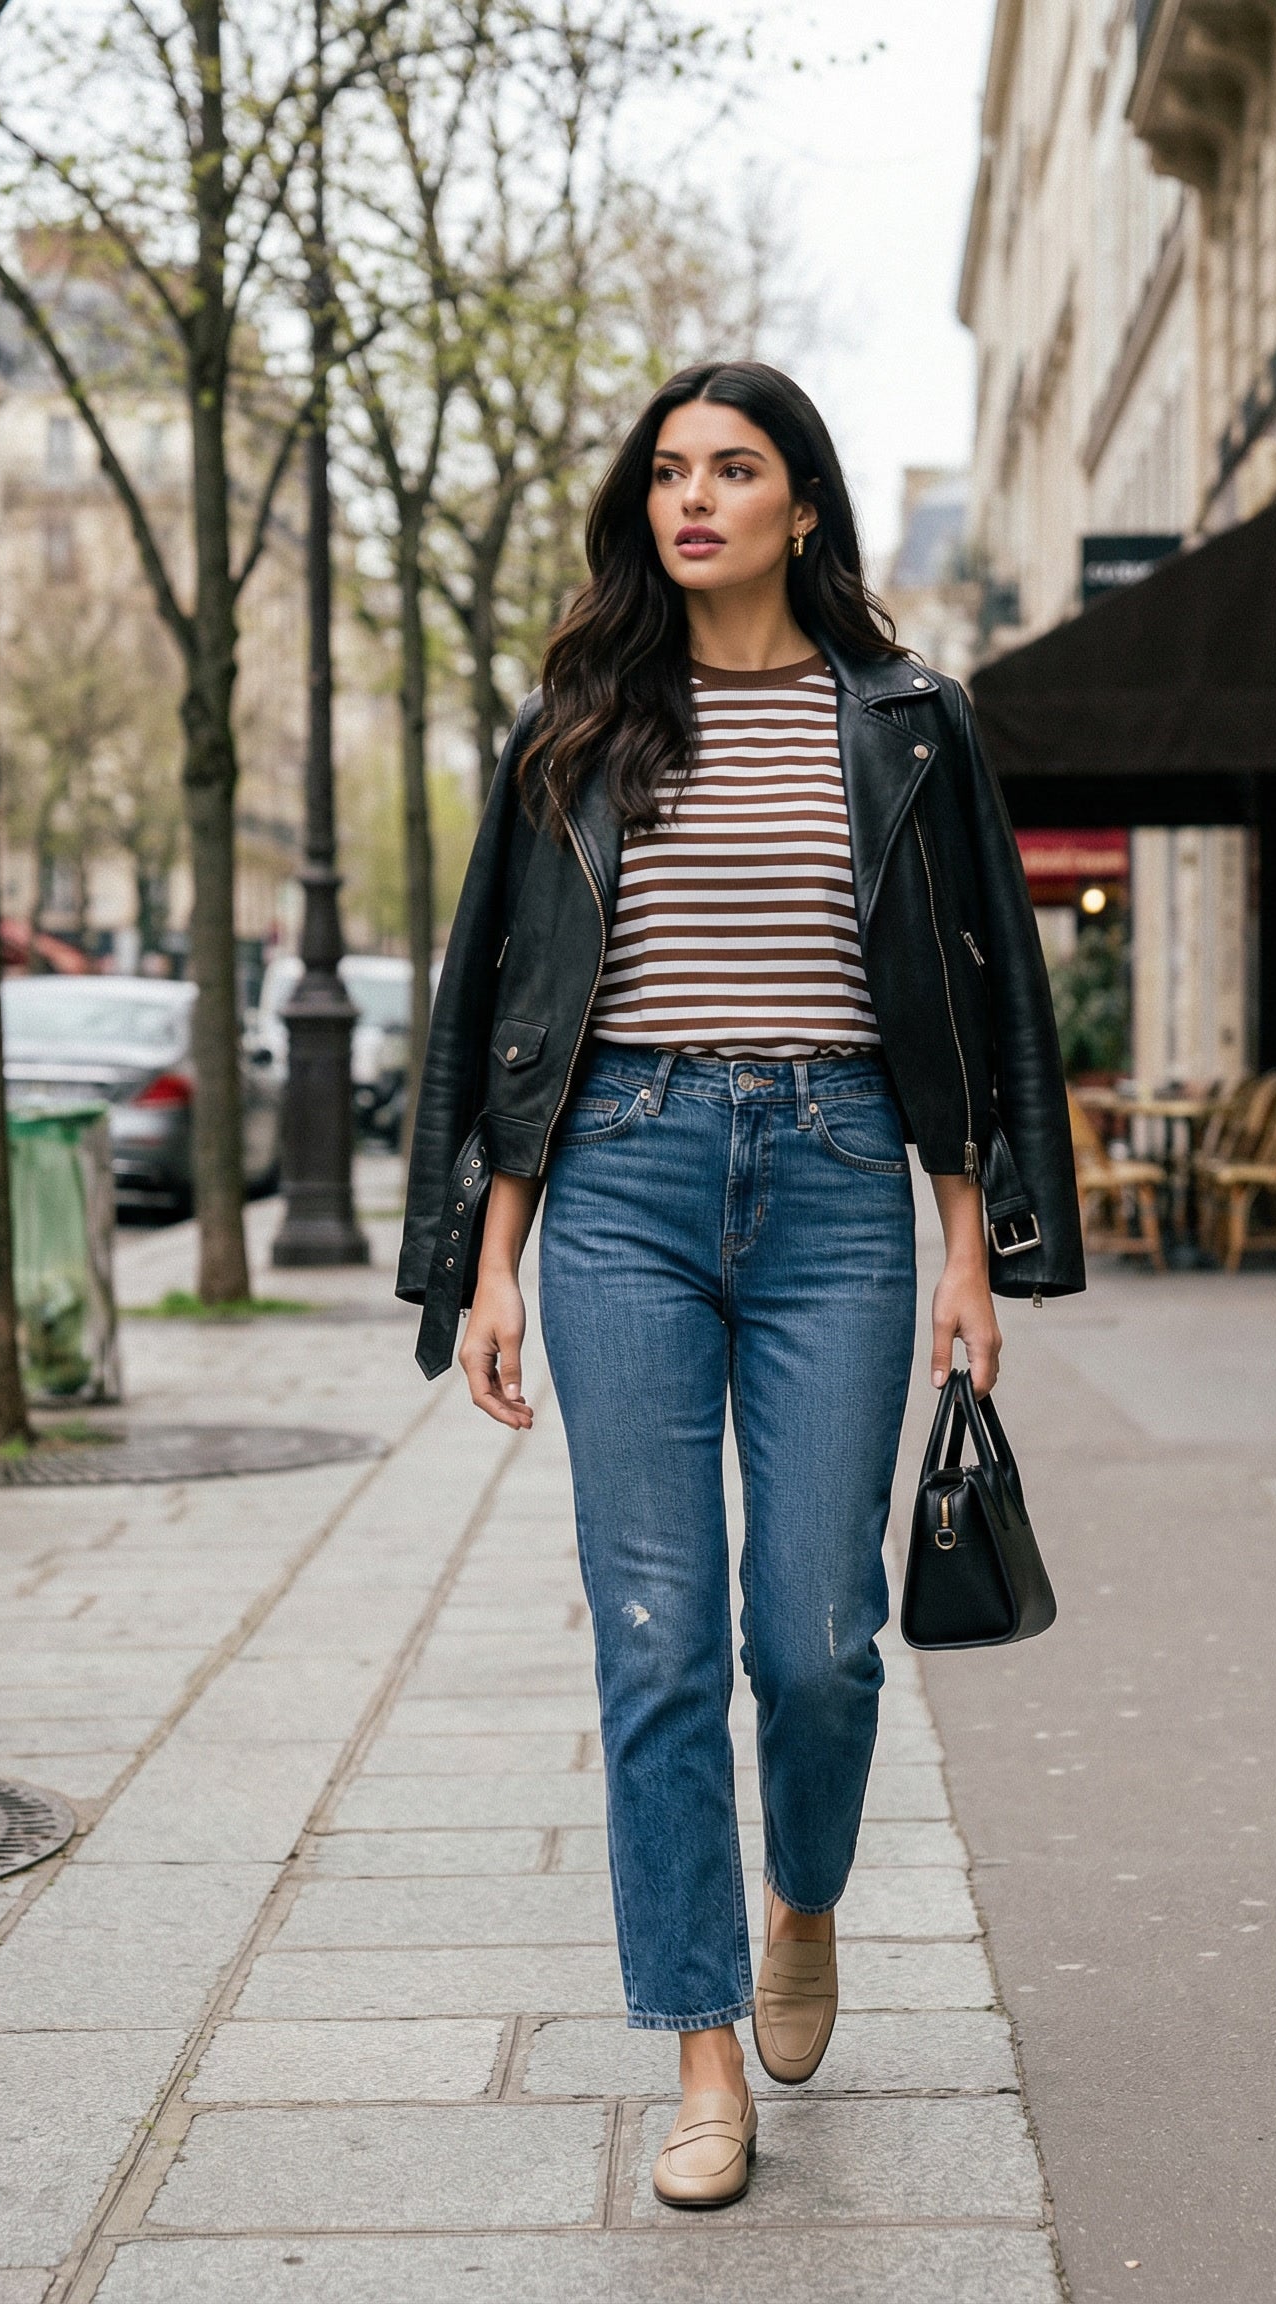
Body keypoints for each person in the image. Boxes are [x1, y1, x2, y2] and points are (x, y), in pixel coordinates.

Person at [398, 361, 1082, 2208]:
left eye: (737, 469)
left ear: (802, 502)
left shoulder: (910, 719)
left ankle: (805, 1897)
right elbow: (509, 1006)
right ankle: (703, 2055)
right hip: (619, 1176)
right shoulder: (578, 724)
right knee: (657, 1637)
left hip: (848, 1187)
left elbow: (967, 995)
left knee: (819, 1639)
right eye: (671, 472)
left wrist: (975, 1252)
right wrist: (491, 1262)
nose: (695, 499)